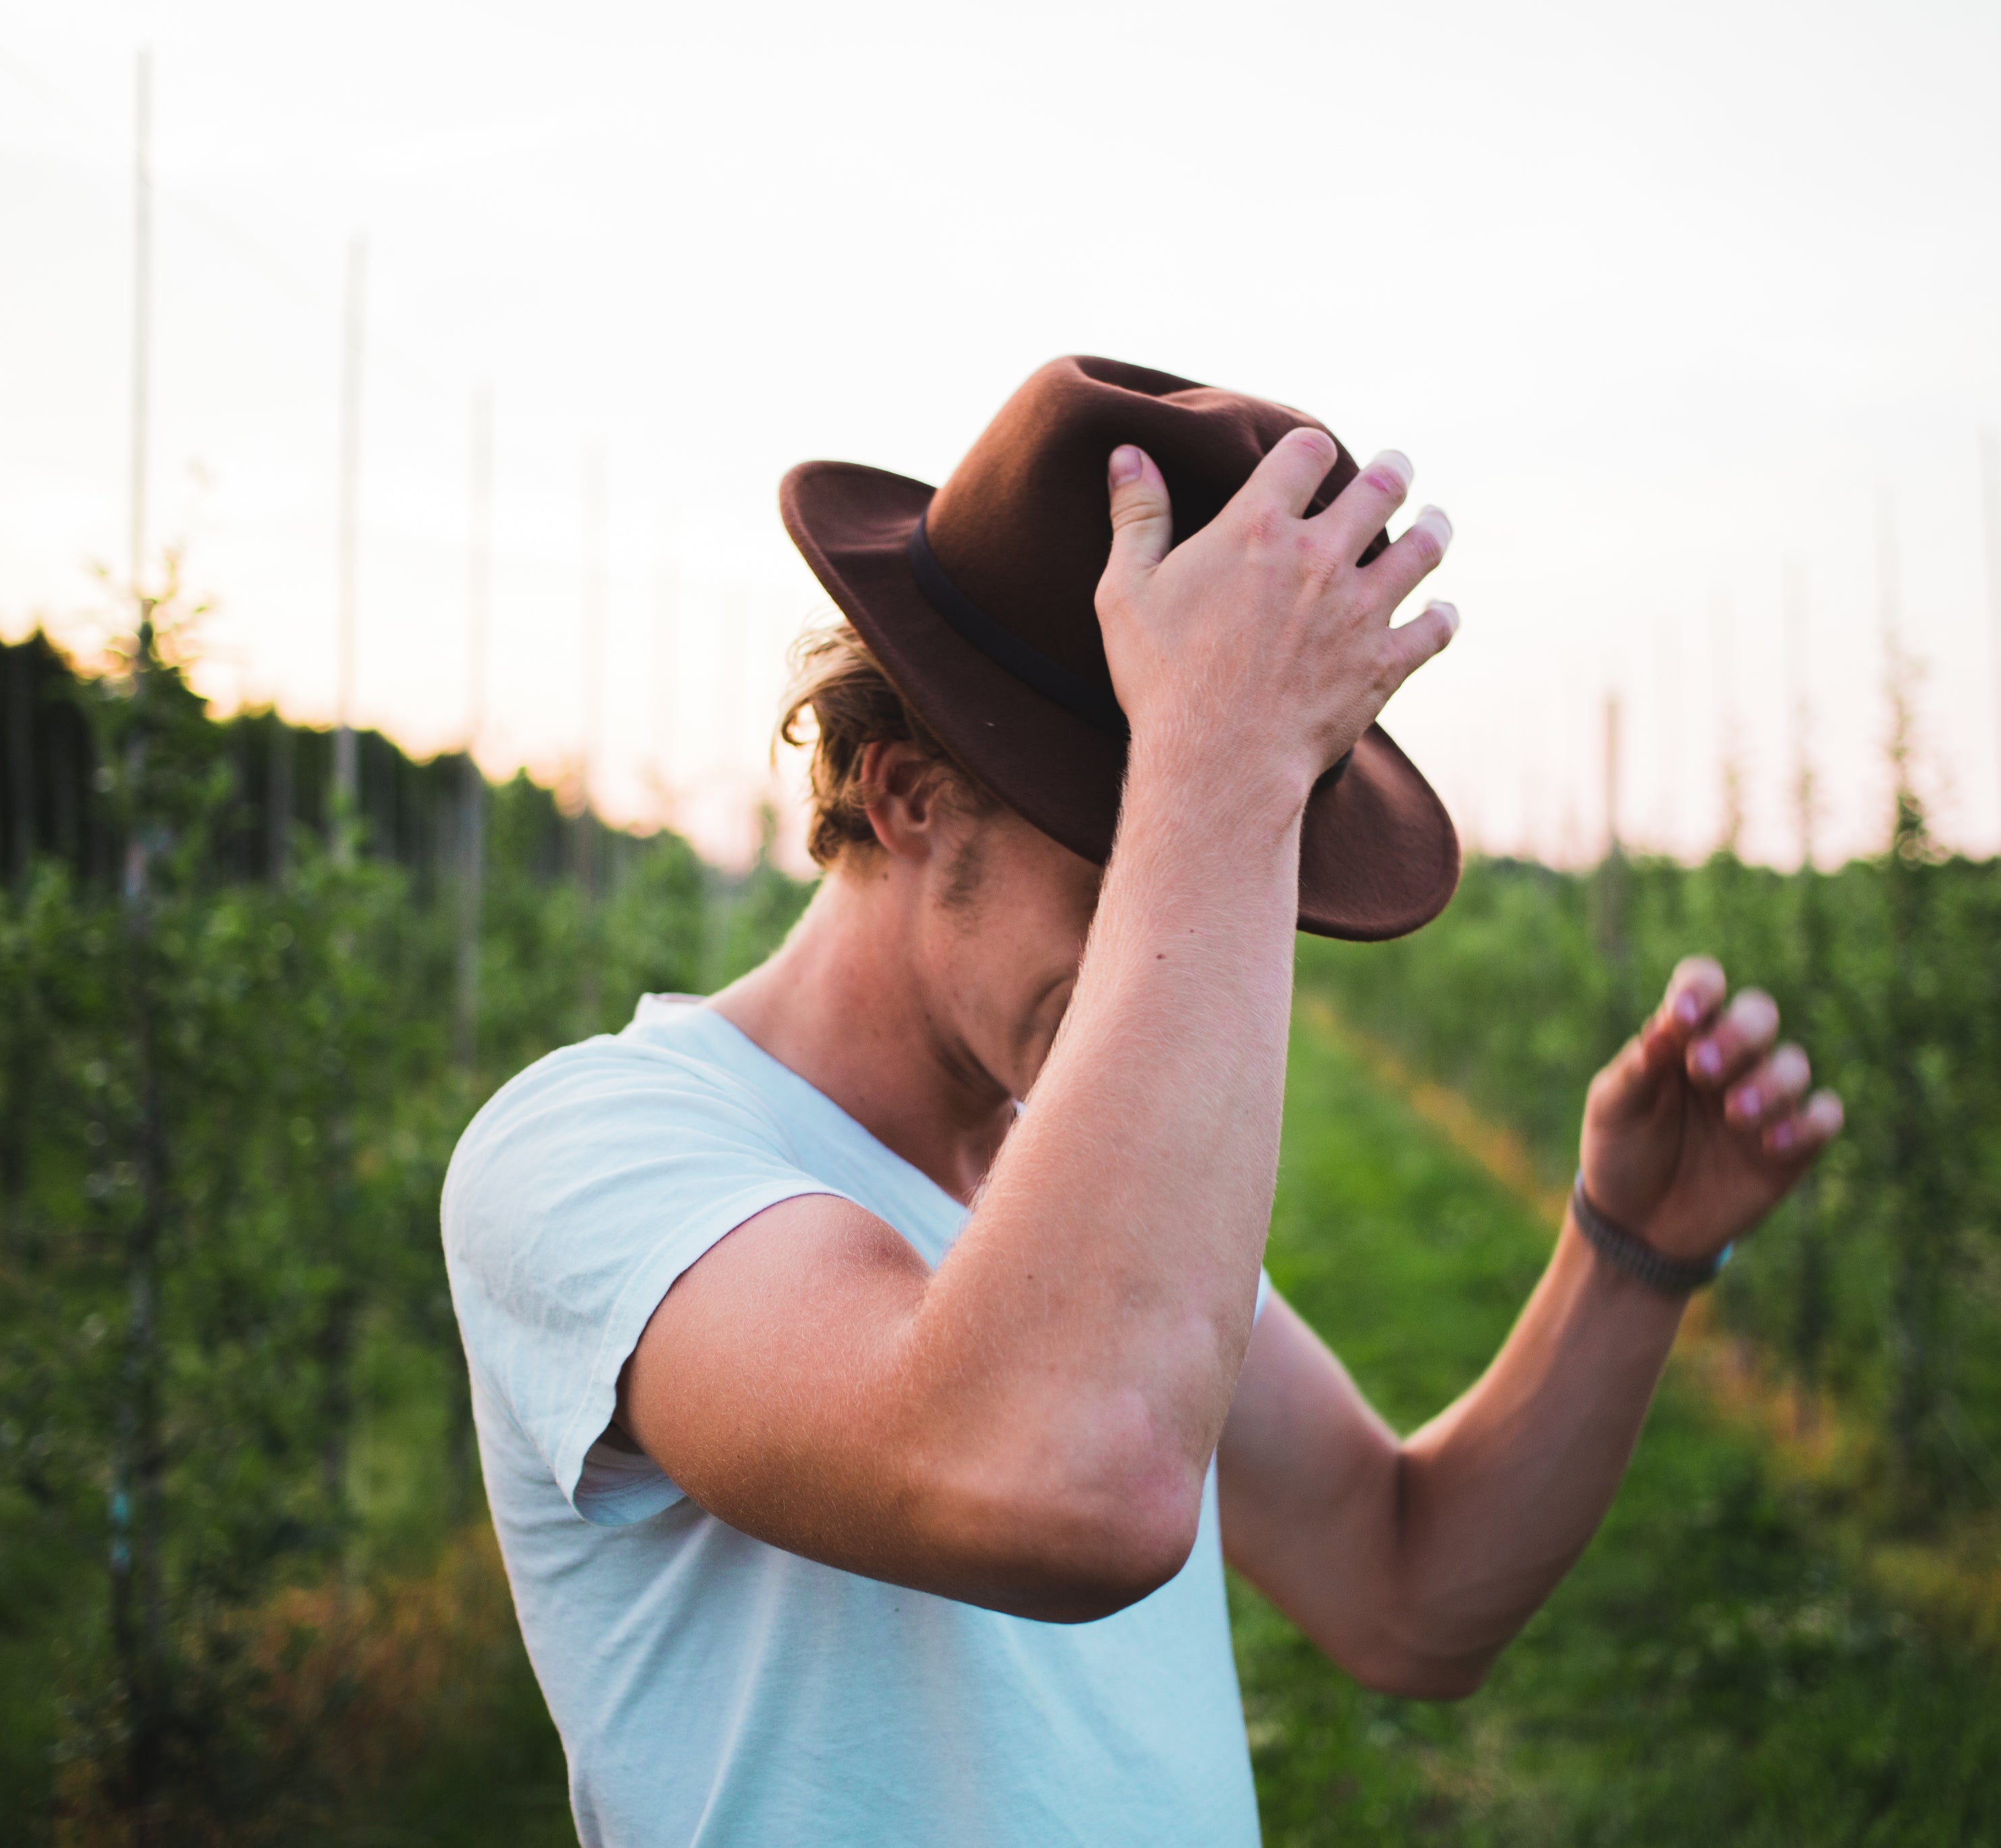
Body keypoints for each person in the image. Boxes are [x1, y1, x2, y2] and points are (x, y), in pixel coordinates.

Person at [442, 357, 1844, 1847]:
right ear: (904, 791)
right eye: (1141, 857)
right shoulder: (596, 1148)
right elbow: (1061, 1479)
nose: (1181, 945)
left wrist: (1626, 1250)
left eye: (1237, 876)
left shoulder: (1096, 1202)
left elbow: (1410, 1591)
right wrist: (1216, 765)